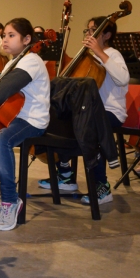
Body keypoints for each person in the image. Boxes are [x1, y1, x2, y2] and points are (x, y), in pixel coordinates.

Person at [0, 18, 50, 231]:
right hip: (14, 117)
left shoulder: (31, 61)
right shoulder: (13, 62)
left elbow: (6, 87)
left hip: (33, 120)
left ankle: (10, 200)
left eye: (11, 35)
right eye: (4, 35)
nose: (5, 39)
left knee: (0, 139)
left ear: (27, 39)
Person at [38, 16, 129, 205]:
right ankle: (65, 174)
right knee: (53, 119)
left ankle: (102, 186)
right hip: (87, 113)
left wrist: (99, 53)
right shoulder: (86, 58)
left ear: (107, 35)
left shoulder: (113, 54)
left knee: (88, 126)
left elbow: (123, 79)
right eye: (88, 30)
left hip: (110, 112)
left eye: (94, 30)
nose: (89, 34)